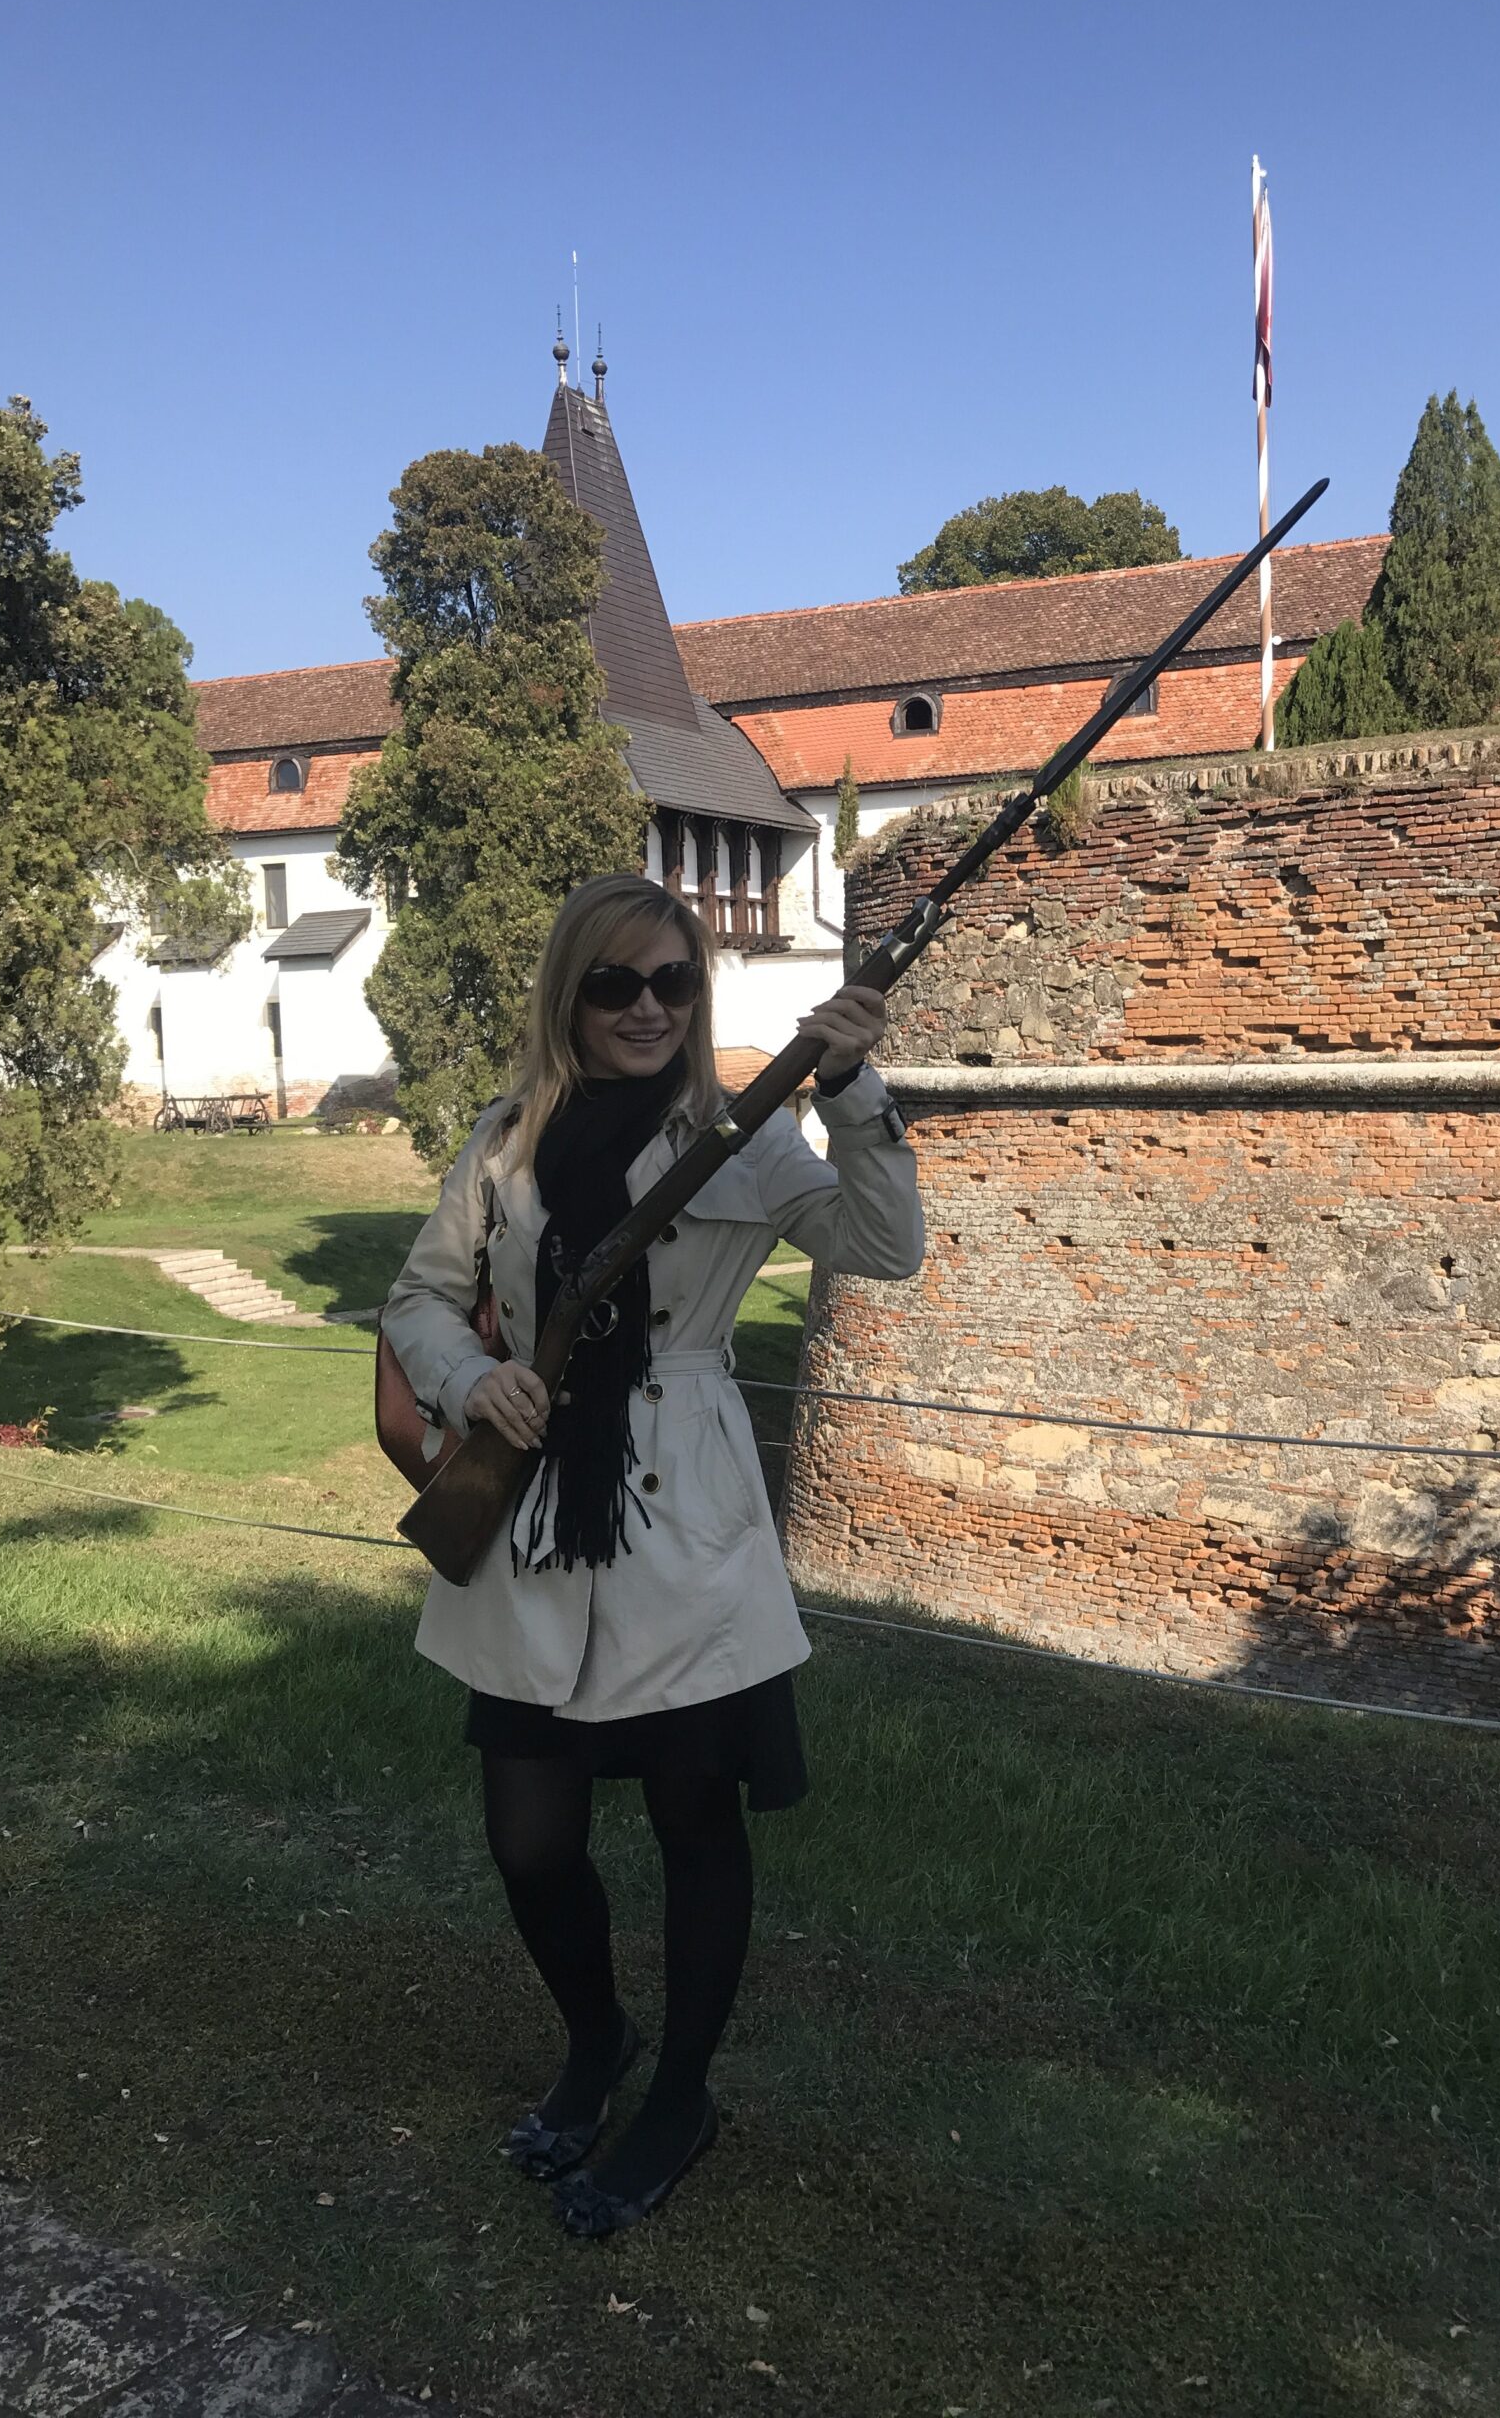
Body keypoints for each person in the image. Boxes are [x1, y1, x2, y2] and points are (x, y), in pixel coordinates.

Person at [382, 873, 923, 2237]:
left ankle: (679, 2095)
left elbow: (886, 1246)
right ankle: (597, 2040)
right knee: (529, 1838)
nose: (646, 1008)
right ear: (569, 995)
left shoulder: (745, 1136)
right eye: (615, 983)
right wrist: (470, 1381)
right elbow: (421, 1299)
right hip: (530, 1515)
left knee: (696, 1821)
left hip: (686, 1525)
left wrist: (849, 1087)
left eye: (673, 983)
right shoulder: (506, 1141)